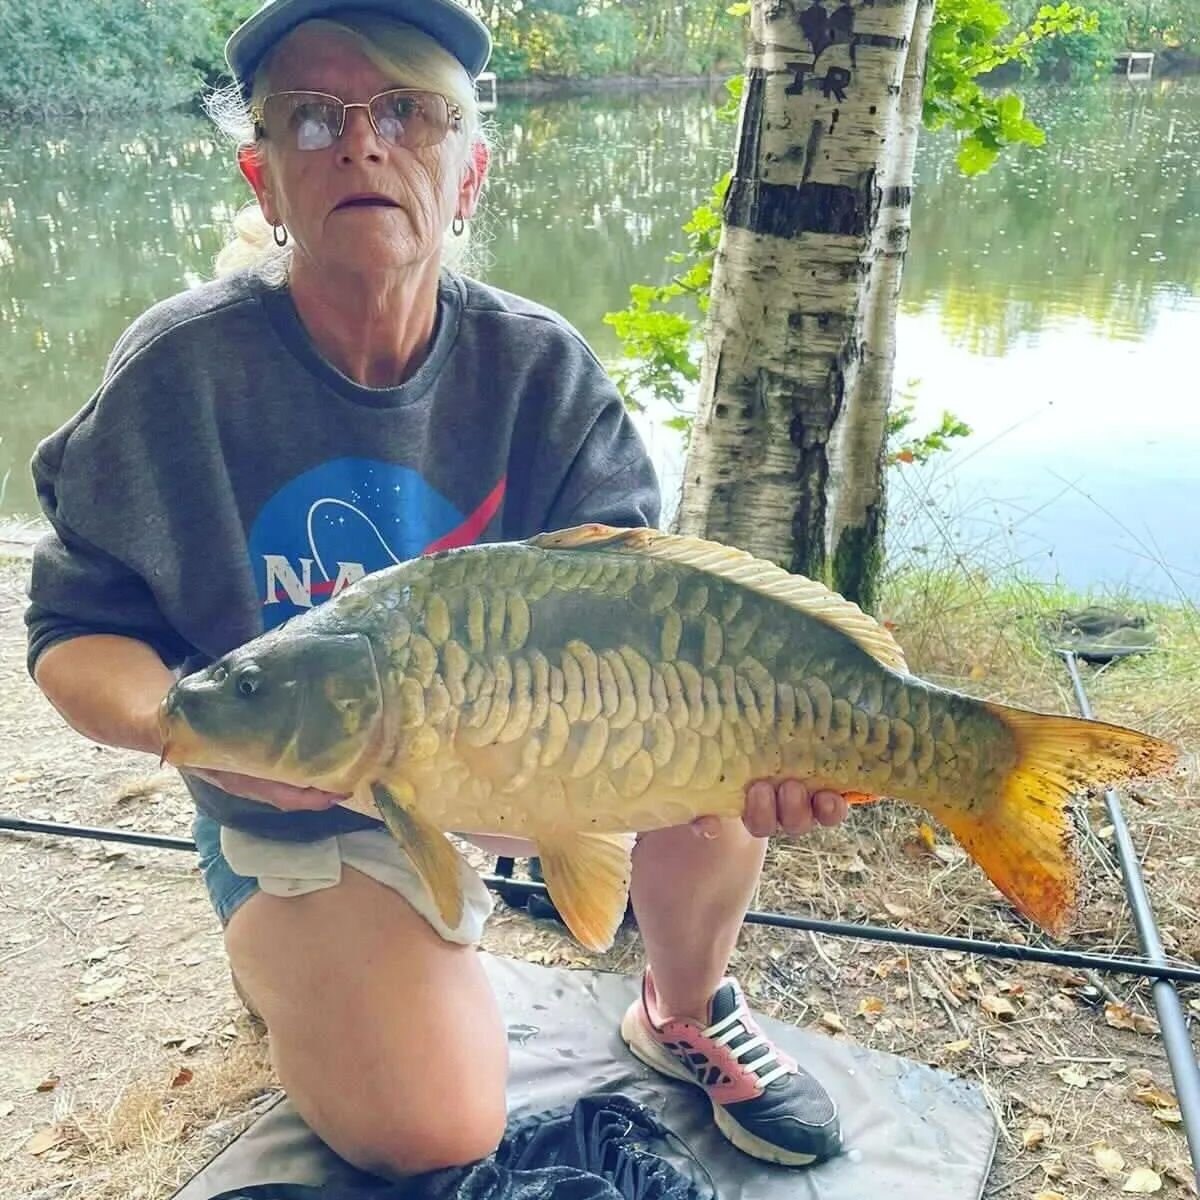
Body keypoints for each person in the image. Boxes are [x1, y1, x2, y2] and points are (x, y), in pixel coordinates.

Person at [24, 0, 851, 1180]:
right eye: (313, 119)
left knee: (708, 745)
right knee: (432, 1131)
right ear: (265, 180)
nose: (362, 145)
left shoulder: (540, 371)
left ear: (467, 176)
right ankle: (287, 951)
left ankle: (684, 1008)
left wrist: (780, 739)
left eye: (407, 112)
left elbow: (651, 609)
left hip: (527, 751)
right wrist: (178, 727)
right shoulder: (180, 374)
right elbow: (72, 632)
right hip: (300, 797)